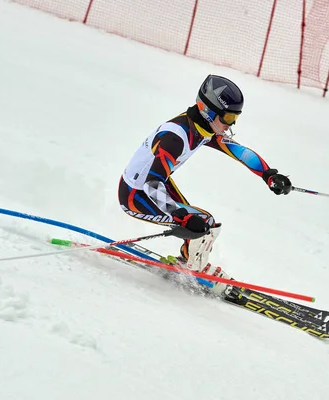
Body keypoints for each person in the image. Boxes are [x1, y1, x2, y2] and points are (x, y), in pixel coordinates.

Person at [118, 74, 292, 294]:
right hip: (136, 195)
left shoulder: (204, 128)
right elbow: (152, 185)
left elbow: (239, 151)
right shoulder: (176, 137)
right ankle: (193, 270)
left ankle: (187, 264)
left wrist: (268, 174)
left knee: (202, 223)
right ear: (207, 110)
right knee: (203, 223)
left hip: (157, 185)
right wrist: (182, 216)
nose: (231, 124)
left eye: (235, 118)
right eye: (228, 117)